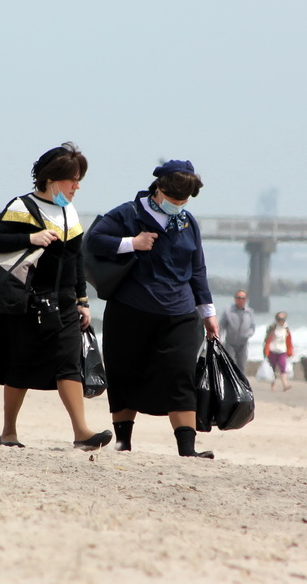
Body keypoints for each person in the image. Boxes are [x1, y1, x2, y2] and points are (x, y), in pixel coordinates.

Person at [86, 158, 219, 459]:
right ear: (159, 189)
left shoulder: (187, 222)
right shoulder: (128, 213)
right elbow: (94, 241)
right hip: (131, 310)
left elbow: (197, 270)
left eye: (183, 201)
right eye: (174, 199)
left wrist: (207, 312)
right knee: (125, 374)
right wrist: (132, 242)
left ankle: (187, 448)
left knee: (181, 374)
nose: (178, 205)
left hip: (180, 313)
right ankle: (123, 444)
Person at [0, 143, 112, 451]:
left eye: (79, 179)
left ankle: (82, 432)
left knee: (69, 364)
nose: (77, 186)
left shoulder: (69, 211)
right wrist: (30, 238)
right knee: (20, 365)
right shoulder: (21, 206)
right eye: (72, 179)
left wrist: (83, 300)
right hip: (27, 301)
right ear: (51, 179)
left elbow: (76, 260)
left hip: (66, 303)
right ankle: (8, 432)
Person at [219, 290, 255, 373]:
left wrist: (248, 334)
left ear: (246, 299)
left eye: (243, 298)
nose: (241, 300)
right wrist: (219, 338)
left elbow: (252, 327)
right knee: (231, 364)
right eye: (238, 298)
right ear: (235, 299)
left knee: (242, 366)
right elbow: (221, 326)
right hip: (230, 343)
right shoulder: (228, 311)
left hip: (243, 344)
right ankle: (231, 384)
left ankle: (242, 384)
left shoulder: (249, 312)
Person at [263, 311, 293, 391]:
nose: (282, 321)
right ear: (277, 319)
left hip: (282, 351)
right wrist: (265, 351)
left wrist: (290, 351)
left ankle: (285, 385)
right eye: (280, 319)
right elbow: (266, 340)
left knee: (283, 367)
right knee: (273, 369)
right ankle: (273, 385)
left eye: (283, 319)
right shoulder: (272, 328)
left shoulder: (286, 328)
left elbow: (289, 340)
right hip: (273, 350)